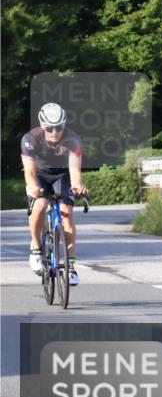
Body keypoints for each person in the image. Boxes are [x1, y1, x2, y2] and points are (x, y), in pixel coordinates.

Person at [21, 103, 87, 285]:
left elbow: (75, 171)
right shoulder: (30, 139)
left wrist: (77, 186)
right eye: (50, 128)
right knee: (40, 205)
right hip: (39, 175)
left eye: (59, 127)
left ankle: (71, 266)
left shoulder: (73, 139)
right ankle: (35, 246)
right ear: (42, 125)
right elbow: (29, 172)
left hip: (61, 175)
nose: (55, 132)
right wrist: (33, 188)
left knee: (67, 211)